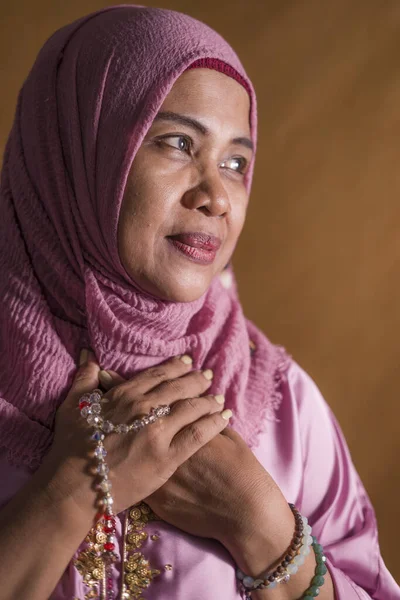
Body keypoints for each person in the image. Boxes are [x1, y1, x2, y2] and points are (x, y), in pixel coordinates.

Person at [0, 5, 398, 600]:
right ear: (76, 152)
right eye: (178, 143)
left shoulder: (282, 407)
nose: (217, 197)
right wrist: (72, 490)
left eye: (236, 163)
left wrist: (261, 524)